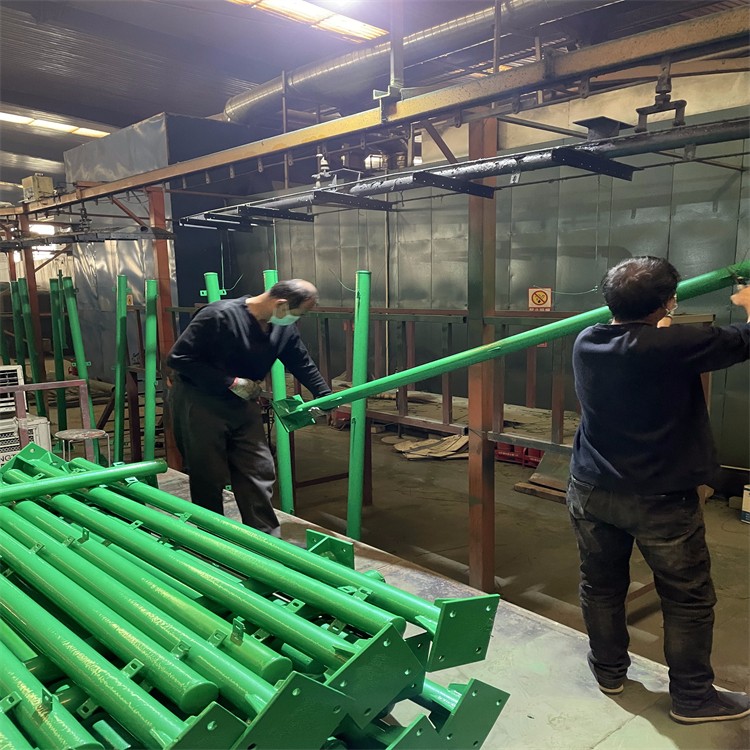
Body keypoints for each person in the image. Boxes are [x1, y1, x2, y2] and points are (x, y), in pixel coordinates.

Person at [566, 256, 750, 724]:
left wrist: (658, 323)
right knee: (687, 599)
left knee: (600, 586)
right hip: (661, 499)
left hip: (591, 488)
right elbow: (745, 340)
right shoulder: (673, 347)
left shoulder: (586, 340)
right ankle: (692, 699)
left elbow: (643, 342)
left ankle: (609, 672)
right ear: (668, 303)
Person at [167, 279, 331, 536]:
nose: (298, 319)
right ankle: (211, 537)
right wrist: (230, 382)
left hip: (243, 402)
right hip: (200, 400)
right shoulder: (219, 315)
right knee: (207, 473)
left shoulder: (282, 328)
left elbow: (301, 361)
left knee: (257, 469)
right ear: (281, 304)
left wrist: (325, 397)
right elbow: (178, 358)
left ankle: (264, 537)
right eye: (299, 313)